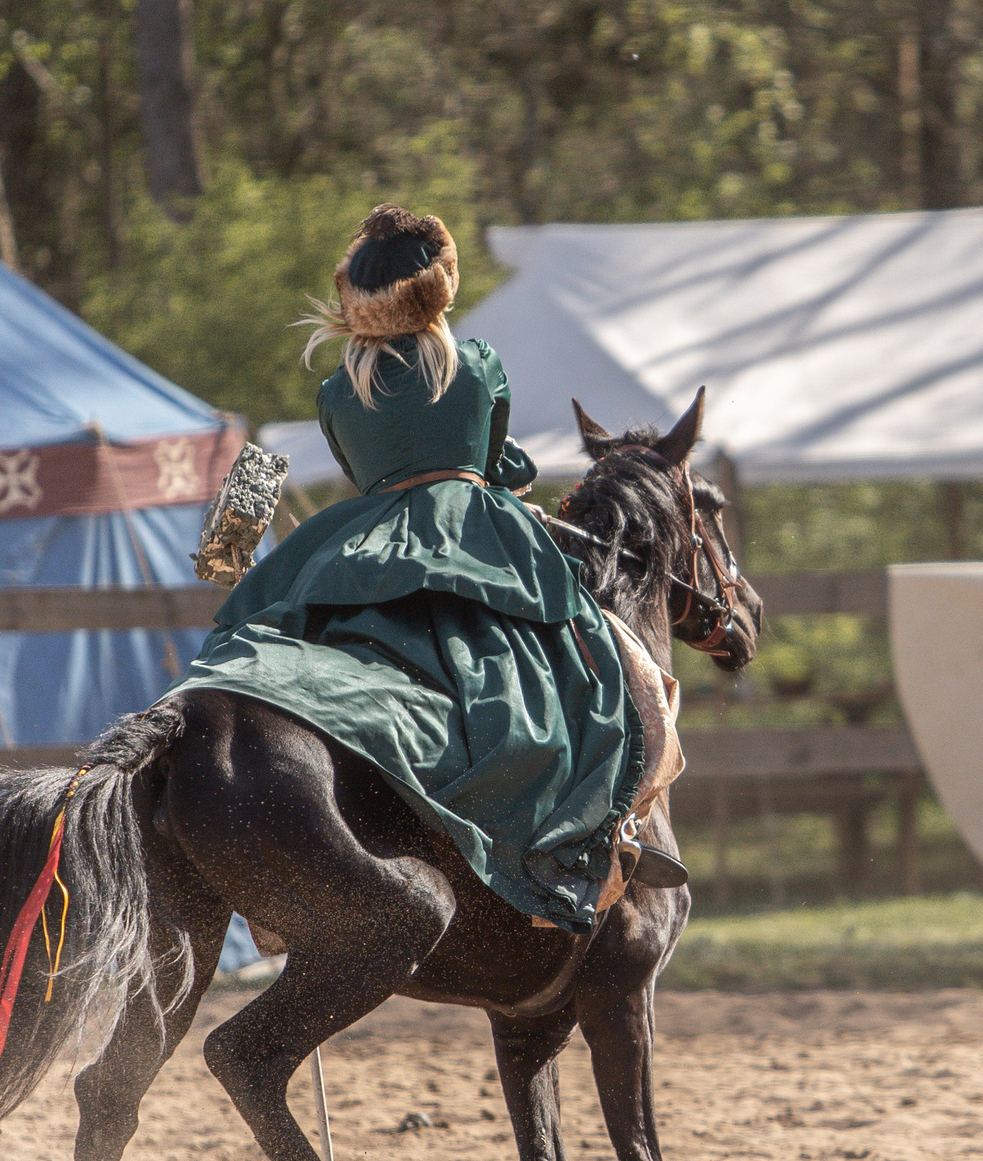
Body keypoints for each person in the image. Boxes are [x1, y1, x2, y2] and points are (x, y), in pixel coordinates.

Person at [175, 205, 641, 933]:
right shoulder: (477, 363)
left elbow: (367, 470)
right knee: (579, 660)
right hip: (474, 531)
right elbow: (498, 463)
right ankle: (582, 843)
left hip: (365, 540)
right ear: (441, 288)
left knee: (276, 643)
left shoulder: (338, 390)